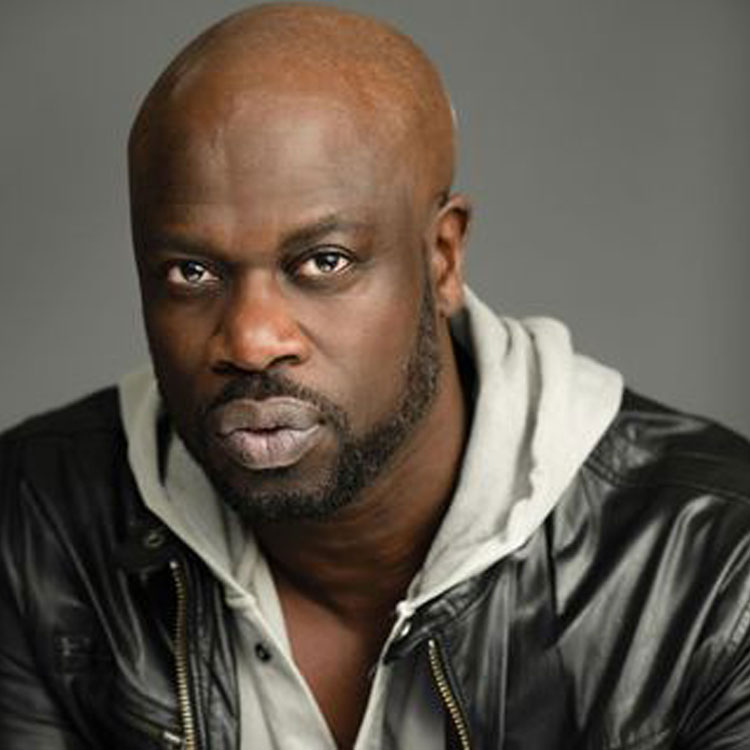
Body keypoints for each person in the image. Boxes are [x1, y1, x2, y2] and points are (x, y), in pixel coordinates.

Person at [2, 4, 750, 749]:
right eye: (191, 272)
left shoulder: (715, 568)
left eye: (324, 262)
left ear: (443, 258)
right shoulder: (36, 521)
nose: (252, 341)